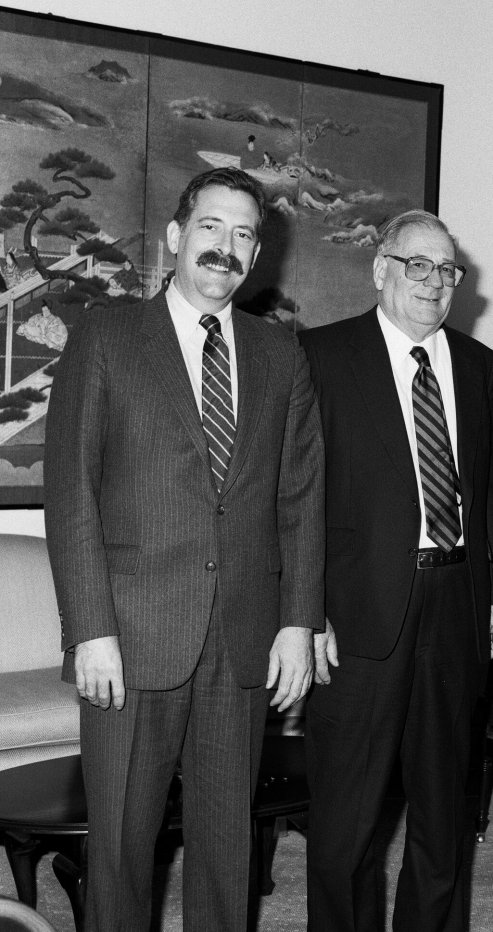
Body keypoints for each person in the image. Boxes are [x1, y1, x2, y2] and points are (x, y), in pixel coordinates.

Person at [44, 167, 326, 932]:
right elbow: (70, 492)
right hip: (130, 641)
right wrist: (90, 630)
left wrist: (298, 621)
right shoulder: (106, 337)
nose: (224, 247)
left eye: (243, 235)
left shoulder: (281, 357)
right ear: (175, 236)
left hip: (240, 637)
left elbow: (300, 500)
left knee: (225, 849)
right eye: (210, 227)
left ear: (257, 252)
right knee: (123, 851)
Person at [300, 209, 493, 932]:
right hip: (354, 611)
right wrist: (305, 609)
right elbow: (291, 499)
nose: (433, 281)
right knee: (344, 827)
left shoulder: (480, 366)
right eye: (416, 264)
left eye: (446, 269)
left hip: (457, 600)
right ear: (381, 269)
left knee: (444, 813)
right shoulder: (320, 355)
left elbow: (487, 490)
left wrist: (492, 591)